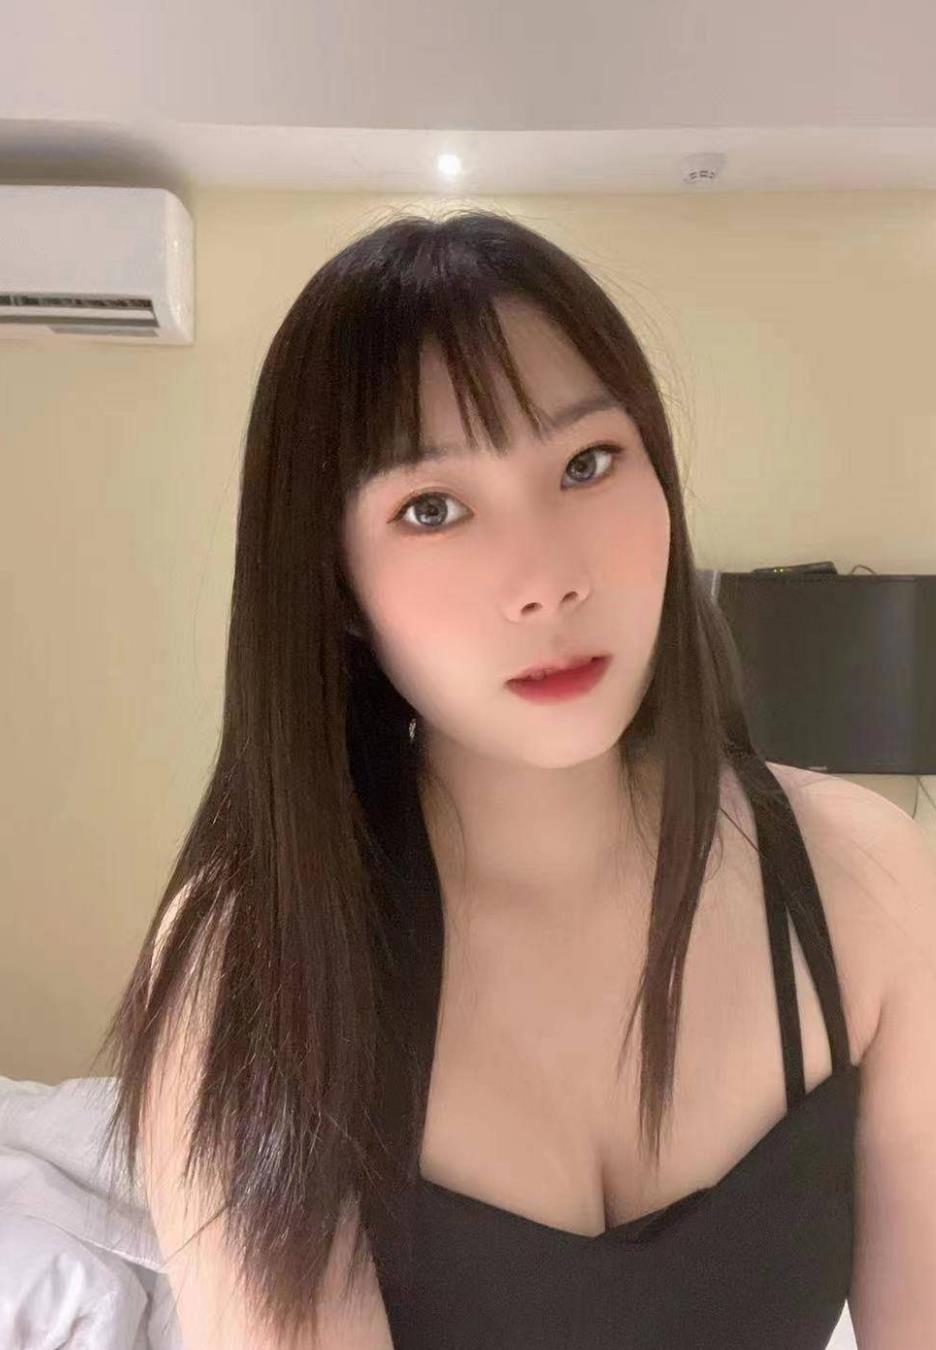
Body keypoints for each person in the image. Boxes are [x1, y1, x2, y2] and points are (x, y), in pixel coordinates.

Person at [91, 208, 936, 1349]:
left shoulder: (864, 881)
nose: (545, 579)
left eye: (587, 463)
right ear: (337, 587)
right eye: (431, 508)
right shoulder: (256, 957)